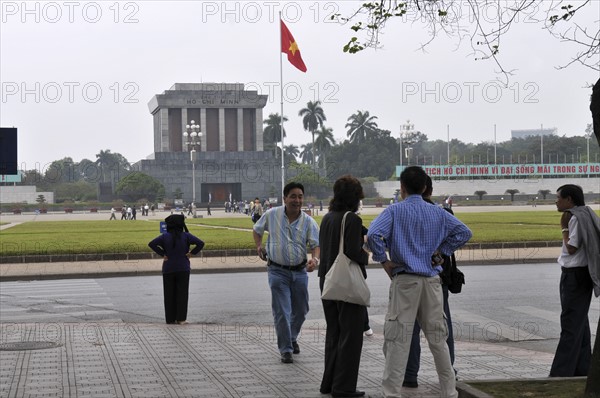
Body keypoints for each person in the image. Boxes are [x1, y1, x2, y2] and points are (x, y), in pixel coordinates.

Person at [367, 166, 472, 398]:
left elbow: (374, 235)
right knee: (438, 340)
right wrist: (441, 252)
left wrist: (383, 260)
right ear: (425, 187)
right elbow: (464, 232)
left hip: (405, 281)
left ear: (402, 188)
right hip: (432, 280)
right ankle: (449, 391)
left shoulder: (394, 211)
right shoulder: (438, 212)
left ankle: (392, 393)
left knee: (398, 339)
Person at [253, 182, 320, 364]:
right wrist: (259, 246)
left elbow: (315, 245)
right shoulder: (271, 215)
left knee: (301, 309)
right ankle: (286, 349)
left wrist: (315, 260)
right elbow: (257, 230)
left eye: (300, 196)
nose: (297, 200)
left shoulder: (308, 221)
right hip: (277, 271)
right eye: (293, 196)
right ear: (285, 198)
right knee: (282, 310)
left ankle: (291, 336)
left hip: (299, 272)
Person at [404, 175, 457, 388]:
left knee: (409, 327)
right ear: (429, 189)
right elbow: (461, 234)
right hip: (437, 277)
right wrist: (440, 253)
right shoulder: (443, 213)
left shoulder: (403, 212)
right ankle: (448, 371)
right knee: (442, 325)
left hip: (409, 276)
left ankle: (409, 374)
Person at [318, 175, 370, 397]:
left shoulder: (328, 218)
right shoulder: (352, 219)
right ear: (355, 197)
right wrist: (366, 255)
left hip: (327, 280)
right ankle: (344, 387)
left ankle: (328, 383)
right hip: (346, 282)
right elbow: (353, 252)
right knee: (351, 336)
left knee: (334, 334)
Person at [549, 184, 600, 377]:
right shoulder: (586, 213)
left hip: (575, 277)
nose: (556, 201)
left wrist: (563, 227)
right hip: (581, 275)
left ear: (569, 200)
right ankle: (583, 369)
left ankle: (560, 374)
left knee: (570, 325)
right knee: (580, 324)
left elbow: (572, 248)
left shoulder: (574, 218)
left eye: (558, 197)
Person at [148, 214, 205, 325]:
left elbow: (152, 244)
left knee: (169, 294)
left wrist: (162, 253)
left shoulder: (165, 236)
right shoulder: (186, 236)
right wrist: (191, 253)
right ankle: (181, 319)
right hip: (183, 268)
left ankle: (170, 319)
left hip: (168, 268)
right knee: (182, 294)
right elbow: (200, 243)